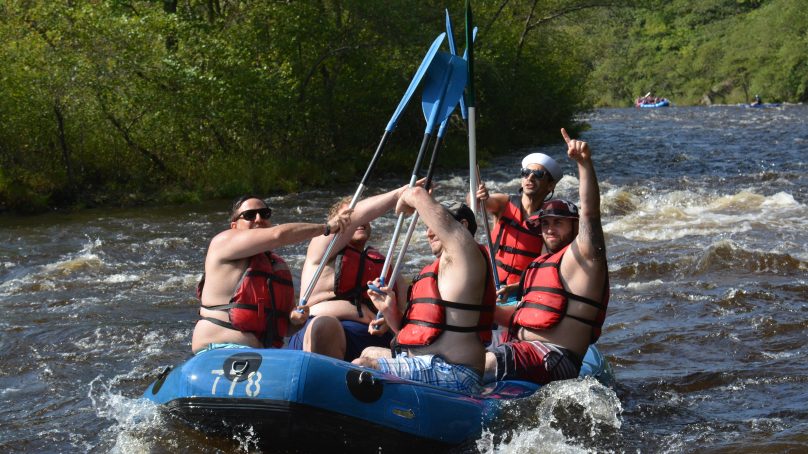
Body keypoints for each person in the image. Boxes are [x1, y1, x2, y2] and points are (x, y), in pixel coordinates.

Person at [484, 128, 609, 385]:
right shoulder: (538, 266)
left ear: (575, 227)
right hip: (521, 350)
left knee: (481, 363)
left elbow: (591, 214)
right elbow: (519, 315)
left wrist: (584, 163)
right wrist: (477, 307)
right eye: (545, 223)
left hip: (553, 358)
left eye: (559, 223)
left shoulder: (585, 258)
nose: (550, 228)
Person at [353, 191, 497, 394]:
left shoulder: (467, 258)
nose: (429, 232)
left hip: (455, 373)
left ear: (462, 227)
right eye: (427, 227)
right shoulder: (437, 271)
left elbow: (419, 195)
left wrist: (410, 195)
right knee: (369, 352)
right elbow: (422, 334)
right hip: (425, 365)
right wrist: (391, 311)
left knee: (363, 366)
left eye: (434, 226)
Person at [190, 195, 351, 354]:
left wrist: (295, 321)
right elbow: (278, 235)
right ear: (234, 226)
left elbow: (287, 328)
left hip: (264, 356)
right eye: (249, 215)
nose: (259, 219)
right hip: (217, 349)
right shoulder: (222, 242)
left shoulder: (276, 265)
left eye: (264, 213)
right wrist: (326, 228)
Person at [286, 185, 412, 361]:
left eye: (366, 215)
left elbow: (401, 316)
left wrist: (389, 322)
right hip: (320, 330)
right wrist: (401, 193)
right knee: (326, 325)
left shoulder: (387, 265)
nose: (362, 218)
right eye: (354, 215)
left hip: (371, 338)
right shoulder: (322, 249)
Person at [474, 152, 562, 303]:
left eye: (538, 174)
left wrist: (515, 287)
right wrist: (477, 196)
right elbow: (480, 202)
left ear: (550, 185)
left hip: (521, 291)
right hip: (488, 283)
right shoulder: (503, 203)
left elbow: (547, 269)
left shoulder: (549, 220)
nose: (530, 178)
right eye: (526, 173)